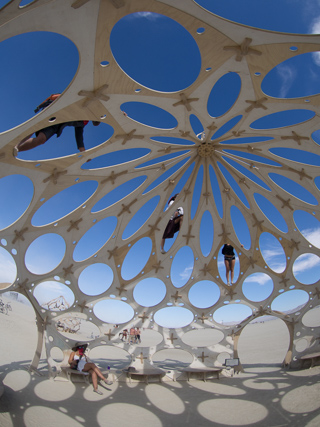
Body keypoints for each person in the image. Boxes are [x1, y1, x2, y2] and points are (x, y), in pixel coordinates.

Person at [13, 93, 100, 156]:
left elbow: (79, 137)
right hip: (54, 112)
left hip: (57, 124)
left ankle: (15, 150)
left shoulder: (83, 122)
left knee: (41, 139)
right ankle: (15, 144)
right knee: (36, 126)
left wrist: (85, 155)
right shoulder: (84, 102)